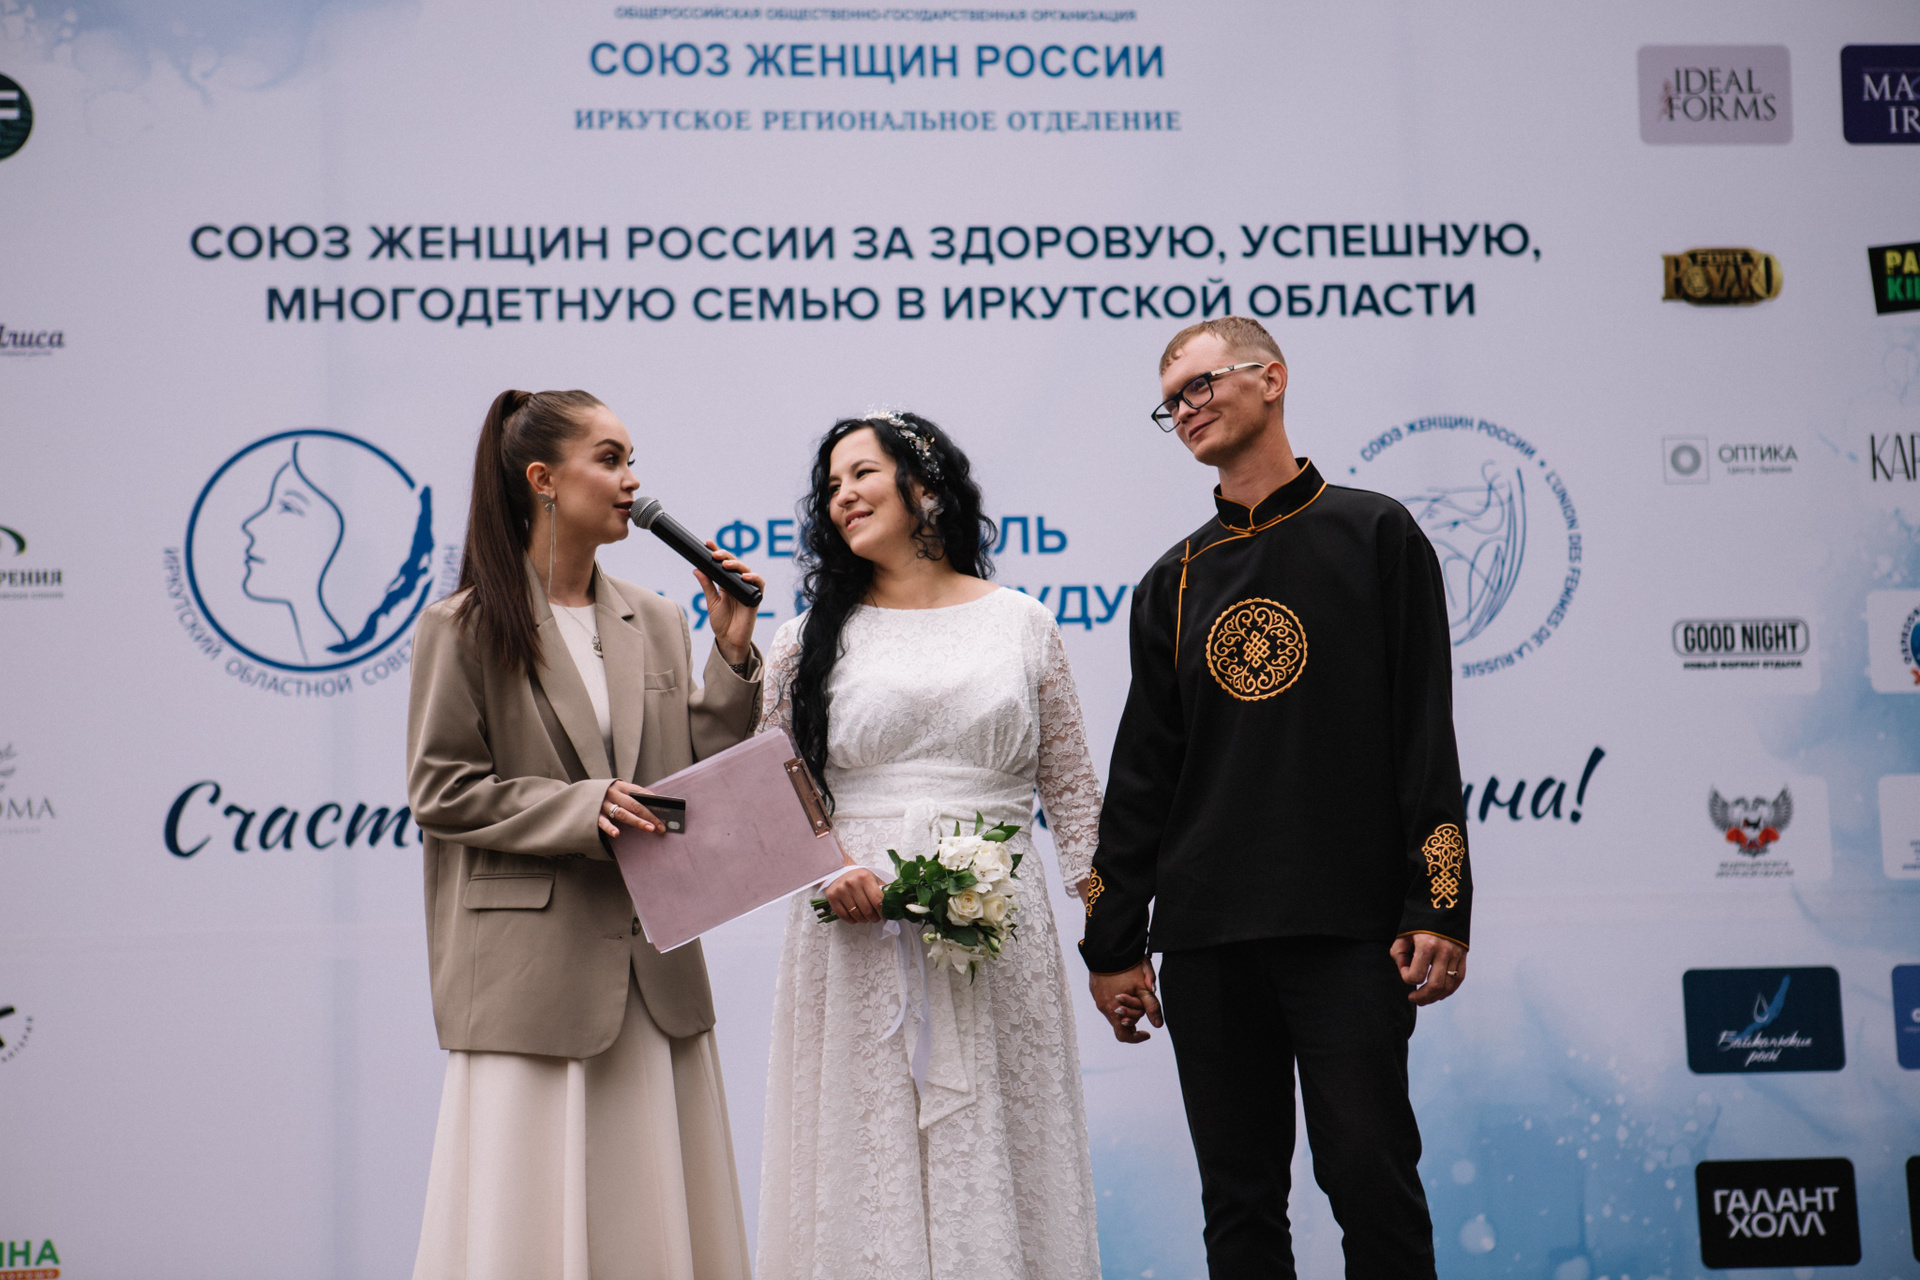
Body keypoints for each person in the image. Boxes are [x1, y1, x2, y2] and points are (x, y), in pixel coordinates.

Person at [1082, 318, 1474, 1280]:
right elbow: (1142, 780)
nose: (1187, 409)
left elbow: (1424, 733)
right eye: (1171, 402)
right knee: (1240, 1204)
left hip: (1349, 928)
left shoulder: (1376, 533)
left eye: (1201, 384)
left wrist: (1440, 902)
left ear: (1272, 379)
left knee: (1372, 1179)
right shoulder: (1170, 581)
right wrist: (1111, 944)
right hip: (1208, 941)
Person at [406, 388, 766, 1280]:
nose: (633, 481)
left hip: (656, 971)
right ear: (542, 479)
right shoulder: (461, 626)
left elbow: (692, 785)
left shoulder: (660, 617)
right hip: (531, 981)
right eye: (610, 459)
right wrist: (582, 808)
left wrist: (730, 655)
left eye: (631, 460)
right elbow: (442, 789)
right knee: (526, 1231)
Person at [755, 412, 1104, 1280]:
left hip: (1000, 935)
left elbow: (1073, 796)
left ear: (927, 489)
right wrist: (830, 869)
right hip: (857, 935)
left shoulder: (1023, 623)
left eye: (862, 474)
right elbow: (773, 788)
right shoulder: (803, 638)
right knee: (867, 1159)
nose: (842, 496)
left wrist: (1113, 938)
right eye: (831, 486)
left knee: (1000, 1147)